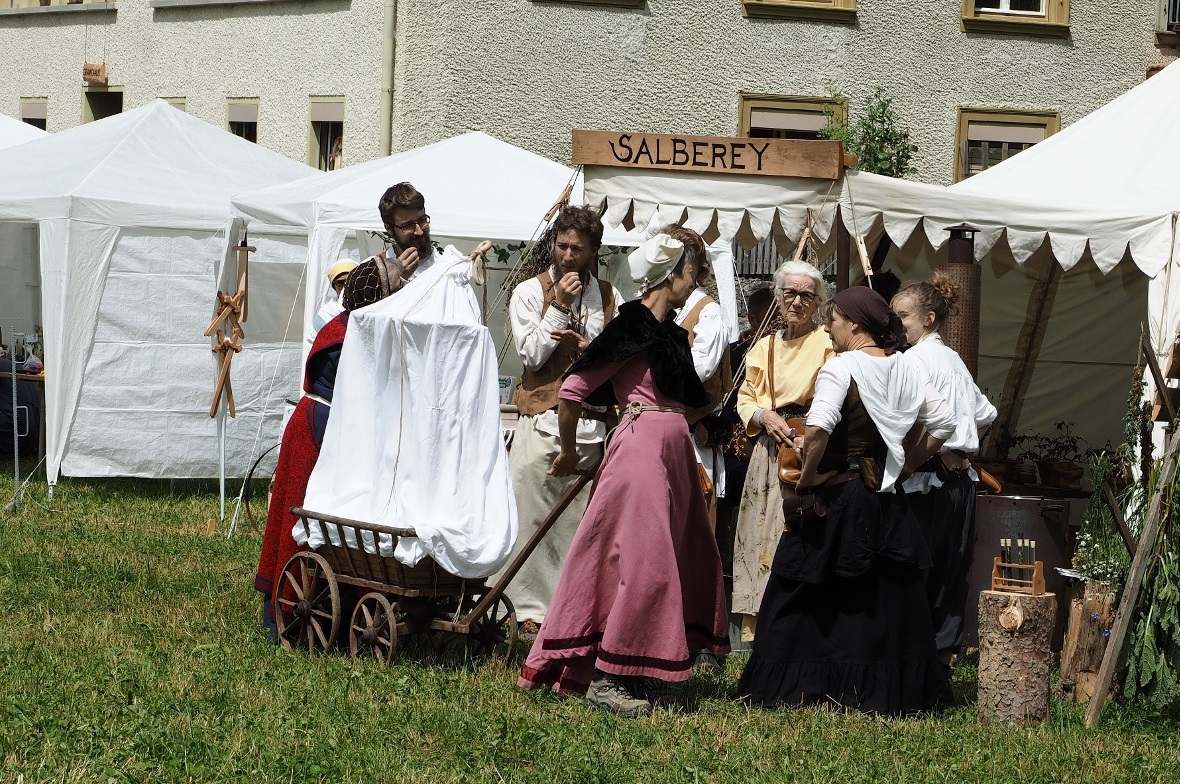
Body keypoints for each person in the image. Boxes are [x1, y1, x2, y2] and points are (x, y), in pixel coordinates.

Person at [518, 226, 730, 717]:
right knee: (645, 565)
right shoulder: (630, 326)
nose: (692, 280)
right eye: (688, 271)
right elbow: (572, 389)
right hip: (639, 459)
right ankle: (607, 678)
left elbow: (696, 401)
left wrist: (671, 422)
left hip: (671, 457)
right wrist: (569, 451)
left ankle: (639, 665)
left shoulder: (672, 335)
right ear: (671, 276)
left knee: (682, 557)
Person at [738, 287, 957, 716]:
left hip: (839, 496)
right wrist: (905, 467)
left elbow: (818, 429)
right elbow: (944, 422)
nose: (828, 326)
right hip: (886, 499)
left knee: (800, 594)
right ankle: (876, 690)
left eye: (834, 319)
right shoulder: (906, 367)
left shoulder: (841, 367)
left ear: (854, 324)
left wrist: (808, 477)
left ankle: (807, 683)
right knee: (879, 600)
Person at [254, 203, 418, 642]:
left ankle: (334, 610)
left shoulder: (350, 326)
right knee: (305, 519)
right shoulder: (351, 336)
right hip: (317, 428)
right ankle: (286, 615)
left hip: (325, 423)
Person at [498, 205, 622, 638]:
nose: (568, 255)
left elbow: (619, 360)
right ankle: (523, 609)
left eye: (578, 248)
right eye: (562, 245)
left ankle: (572, 610)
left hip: (594, 428)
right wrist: (559, 307)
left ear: (593, 251)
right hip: (543, 420)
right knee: (531, 519)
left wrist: (588, 345)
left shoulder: (609, 297)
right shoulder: (530, 292)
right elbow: (531, 355)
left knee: (582, 526)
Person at [892, 273, 997, 667]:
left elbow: (927, 422)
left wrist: (921, 459)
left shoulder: (913, 360)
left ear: (929, 319)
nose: (896, 324)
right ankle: (942, 661)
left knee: (917, 572)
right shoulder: (952, 359)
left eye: (902, 317)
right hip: (960, 485)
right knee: (951, 573)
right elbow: (987, 413)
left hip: (926, 483)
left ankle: (916, 662)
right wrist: (963, 449)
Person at [731, 261, 834, 643]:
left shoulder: (827, 342)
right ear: (777, 297)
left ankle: (798, 624)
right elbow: (745, 397)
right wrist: (762, 413)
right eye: (789, 292)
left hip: (807, 447)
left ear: (818, 301)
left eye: (806, 295)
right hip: (769, 449)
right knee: (761, 531)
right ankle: (757, 628)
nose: (796, 301)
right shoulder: (765, 346)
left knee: (798, 527)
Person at [342, 182, 435, 309]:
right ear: (389, 228)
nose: (419, 231)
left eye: (422, 220)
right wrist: (396, 282)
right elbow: (357, 323)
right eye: (408, 225)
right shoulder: (370, 274)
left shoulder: (447, 266)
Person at [311, 259, 357, 336]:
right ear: (334, 287)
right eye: (340, 283)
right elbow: (313, 342)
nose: (346, 287)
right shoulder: (326, 313)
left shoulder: (370, 308)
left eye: (350, 281)